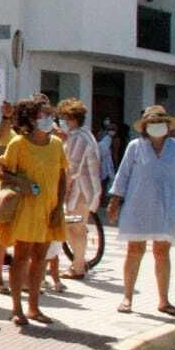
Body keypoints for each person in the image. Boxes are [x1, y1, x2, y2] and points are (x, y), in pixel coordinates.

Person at [108, 106, 175, 316]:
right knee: (134, 250)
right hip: (138, 205)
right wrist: (114, 202)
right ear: (145, 127)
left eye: (159, 123)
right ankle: (127, 297)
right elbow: (123, 175)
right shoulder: (135, 146)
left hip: (167, 205)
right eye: (151, 123)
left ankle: (164, 300)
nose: (156, 127)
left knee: (162, 252)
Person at [0, 96, 69, 327]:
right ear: (31, 118)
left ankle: (34, 307)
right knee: (21, 257)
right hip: (26, 208)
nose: (48, 119)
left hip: (49, 208)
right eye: (42, 115)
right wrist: (22, 182)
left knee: (41, 258)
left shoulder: (56, 144)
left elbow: (63, 176)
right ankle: (17, 308)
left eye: (50, 115)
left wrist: (59, 206)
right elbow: (2, 172)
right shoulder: (19, 144)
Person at [57, 98, 101, 279]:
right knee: (75, 227)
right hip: (85, 191)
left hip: (80, 192)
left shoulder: (78, 138)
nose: (61, 122)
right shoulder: (85, 135)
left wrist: (63, 193)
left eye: (63, 118)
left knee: (74, 227)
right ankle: (79, 263)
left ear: (72, 118)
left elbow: (71, 169)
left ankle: (78, 266)